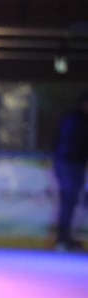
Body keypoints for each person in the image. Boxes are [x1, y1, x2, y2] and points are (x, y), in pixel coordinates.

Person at [52, 92, 88, 252]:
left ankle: (65, 237)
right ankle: (63, 238)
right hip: (70, 163)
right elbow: (76, 142)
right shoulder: (77, 120)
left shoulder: (73, 119)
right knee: (69, 199)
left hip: (69, 162)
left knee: (70, 200)